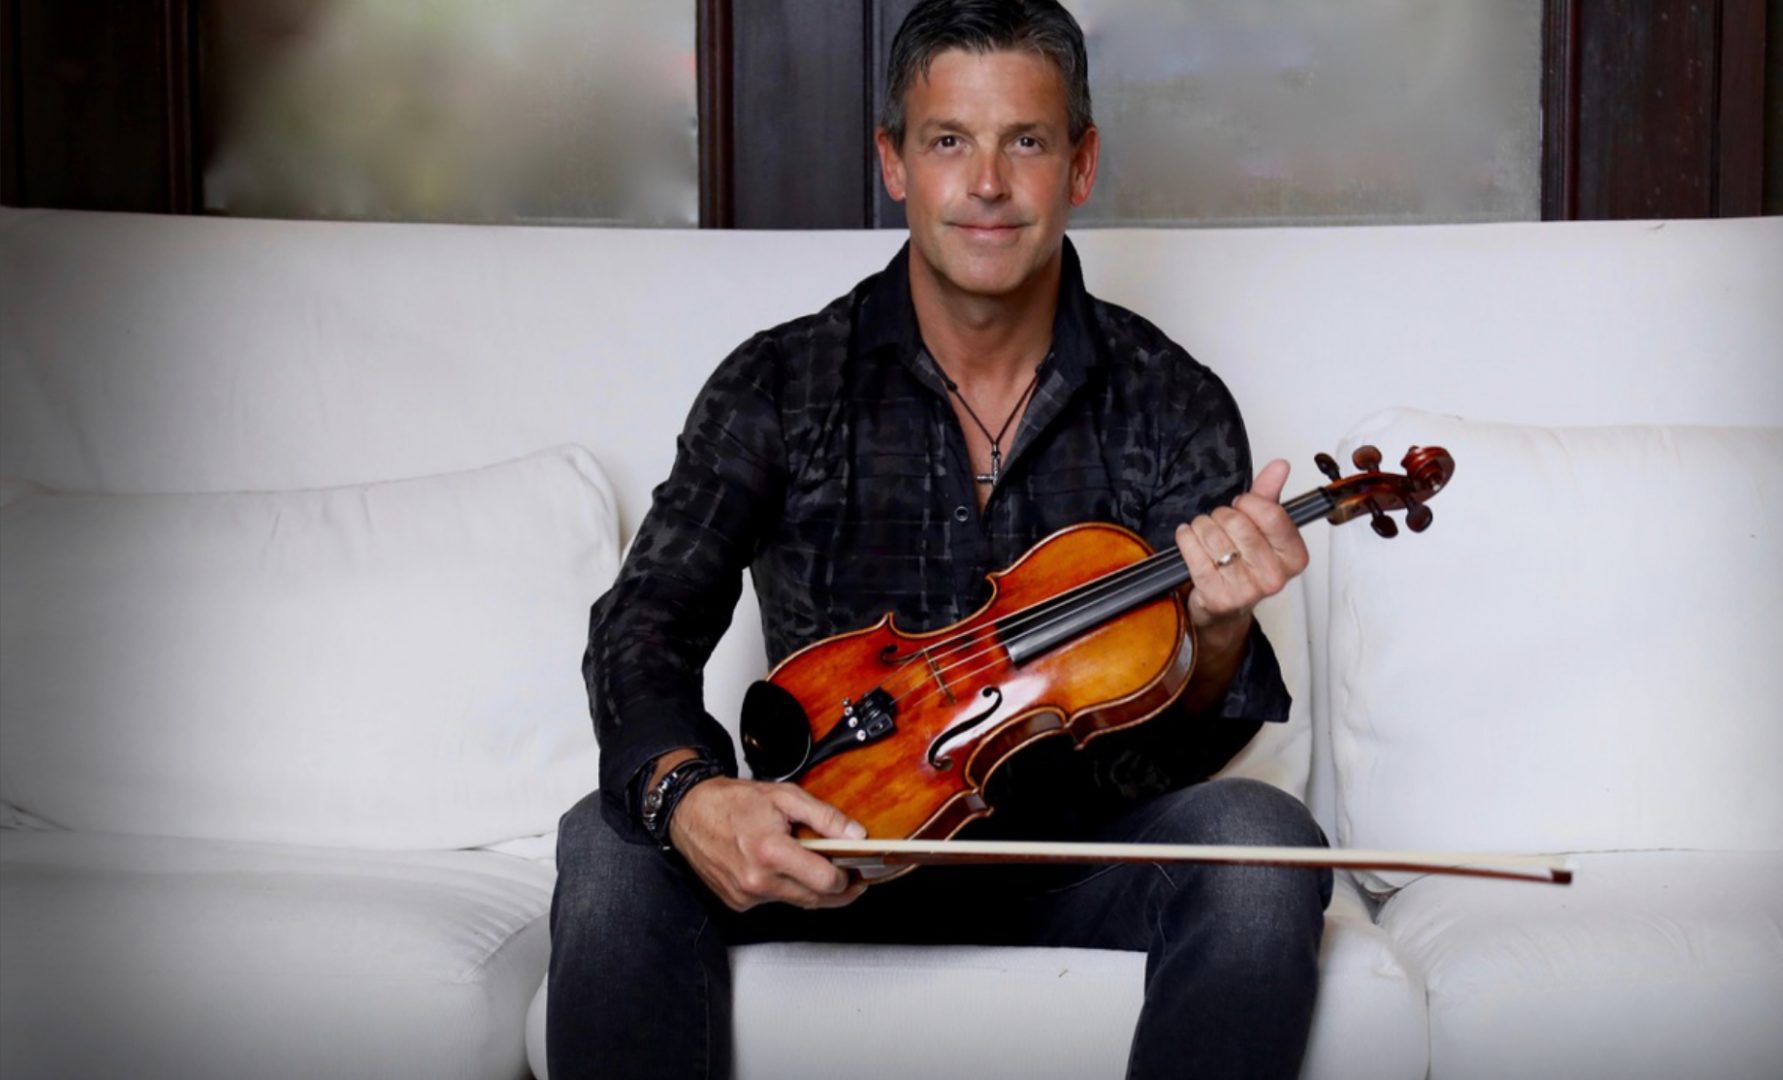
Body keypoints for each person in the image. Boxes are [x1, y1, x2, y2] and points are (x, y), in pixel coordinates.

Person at [547, 2, 1330, 1076]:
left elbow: (1165, 755)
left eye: (1028, 141)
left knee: (1260, 840)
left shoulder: (1174, 403)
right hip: (821, 847)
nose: (989, 183)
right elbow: (646, 621)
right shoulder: (780, 382)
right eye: (950, 140)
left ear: (1081, 164)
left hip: (1068, 863)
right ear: (895, 161)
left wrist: (1217, 634)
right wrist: (692, 795)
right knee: (608, 838)